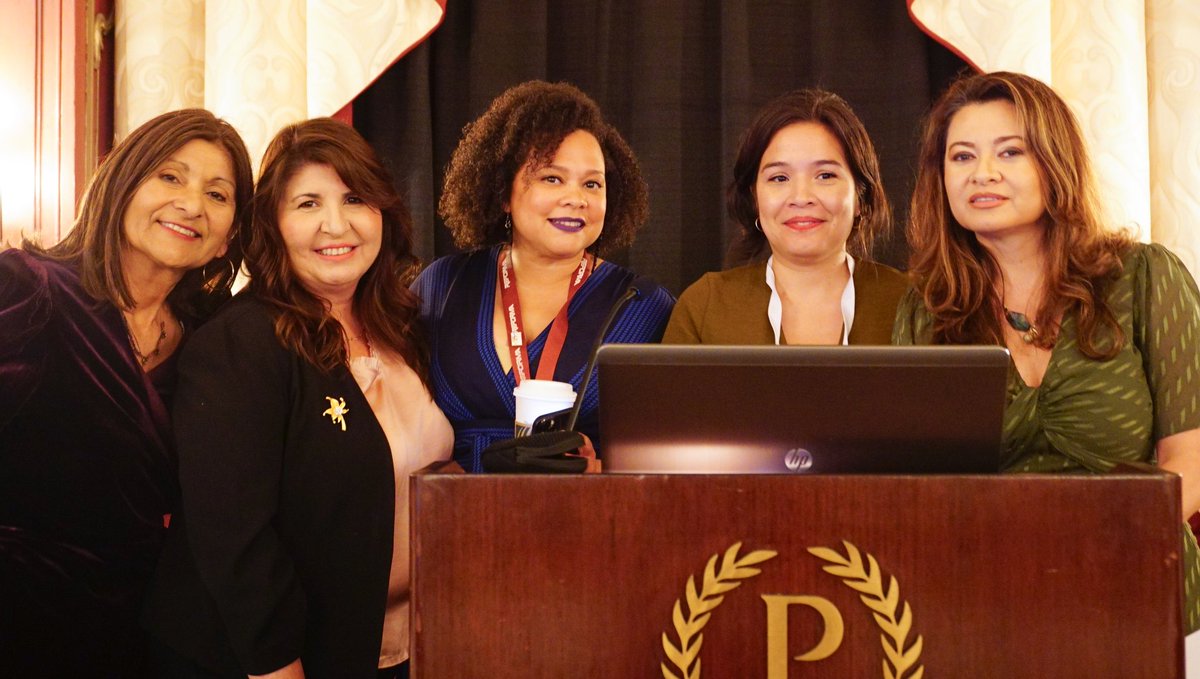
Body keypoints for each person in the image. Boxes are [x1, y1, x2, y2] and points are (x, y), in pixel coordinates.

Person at [142, 118, 451, 678]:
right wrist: (278, 666)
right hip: (272, 659)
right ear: (273, 225)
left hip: (396, 643)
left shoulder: (404, 327)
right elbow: (234, 538)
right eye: (307, 204)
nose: (337, 223)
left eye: (354, 197)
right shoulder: (241, 342)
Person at [893, 70, 1200, 630]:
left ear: (1054, 162)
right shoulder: (925, 312)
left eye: (1009, 152)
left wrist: (1107, 547)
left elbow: (1191, 456)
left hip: (1141, 579)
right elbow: (915, 485)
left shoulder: (1145, 276)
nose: (982, 173)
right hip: (987, 595)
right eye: (961, 158)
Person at [0, 109, 251, 676]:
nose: (192, 204)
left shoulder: (210, 344)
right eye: (170, 177)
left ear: (226, 239)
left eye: (217, 193)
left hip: (145, 640)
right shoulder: (27, 288)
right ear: (121, 184)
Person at [412, 80, 674, 472]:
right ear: (503, 191)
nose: (575, 198)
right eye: (552, 178)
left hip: (588, 521)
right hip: (453, 519)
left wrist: (602, 464)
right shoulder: (441, 287)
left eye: (592, 183)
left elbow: (671, 452)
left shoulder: (644, 308)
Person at [663, 89, 907, 345]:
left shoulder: (912, 302)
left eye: (825, 176)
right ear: (754, 198)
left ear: (861, 196)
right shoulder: (706, 305)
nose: (801, 197)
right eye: (779, 178)